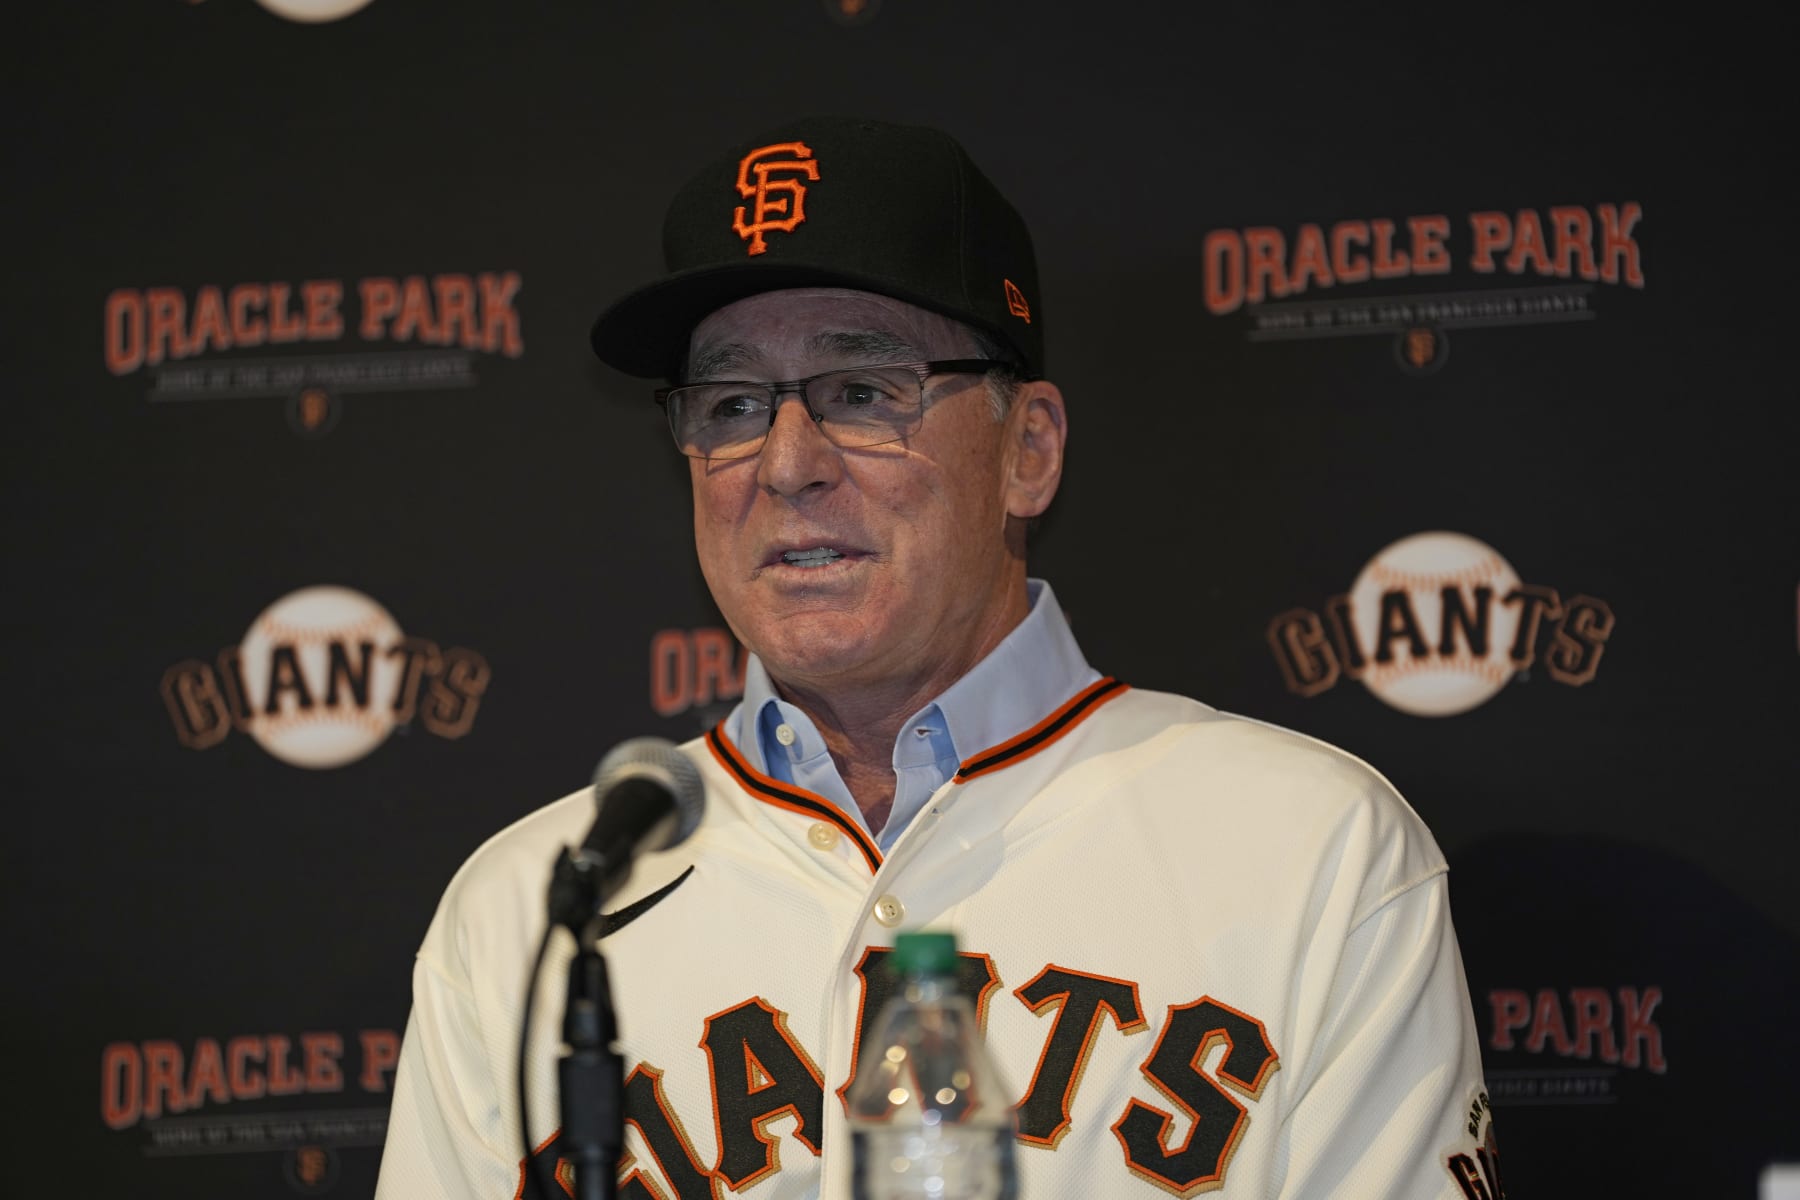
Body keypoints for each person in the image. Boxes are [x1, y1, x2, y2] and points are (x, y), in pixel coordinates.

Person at [376, 115, 1500, 1200]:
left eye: (863, 391)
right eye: (730, 403)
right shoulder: (529, 910)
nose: (786, 464)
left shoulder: (1312, 850)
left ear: (1030, 450)